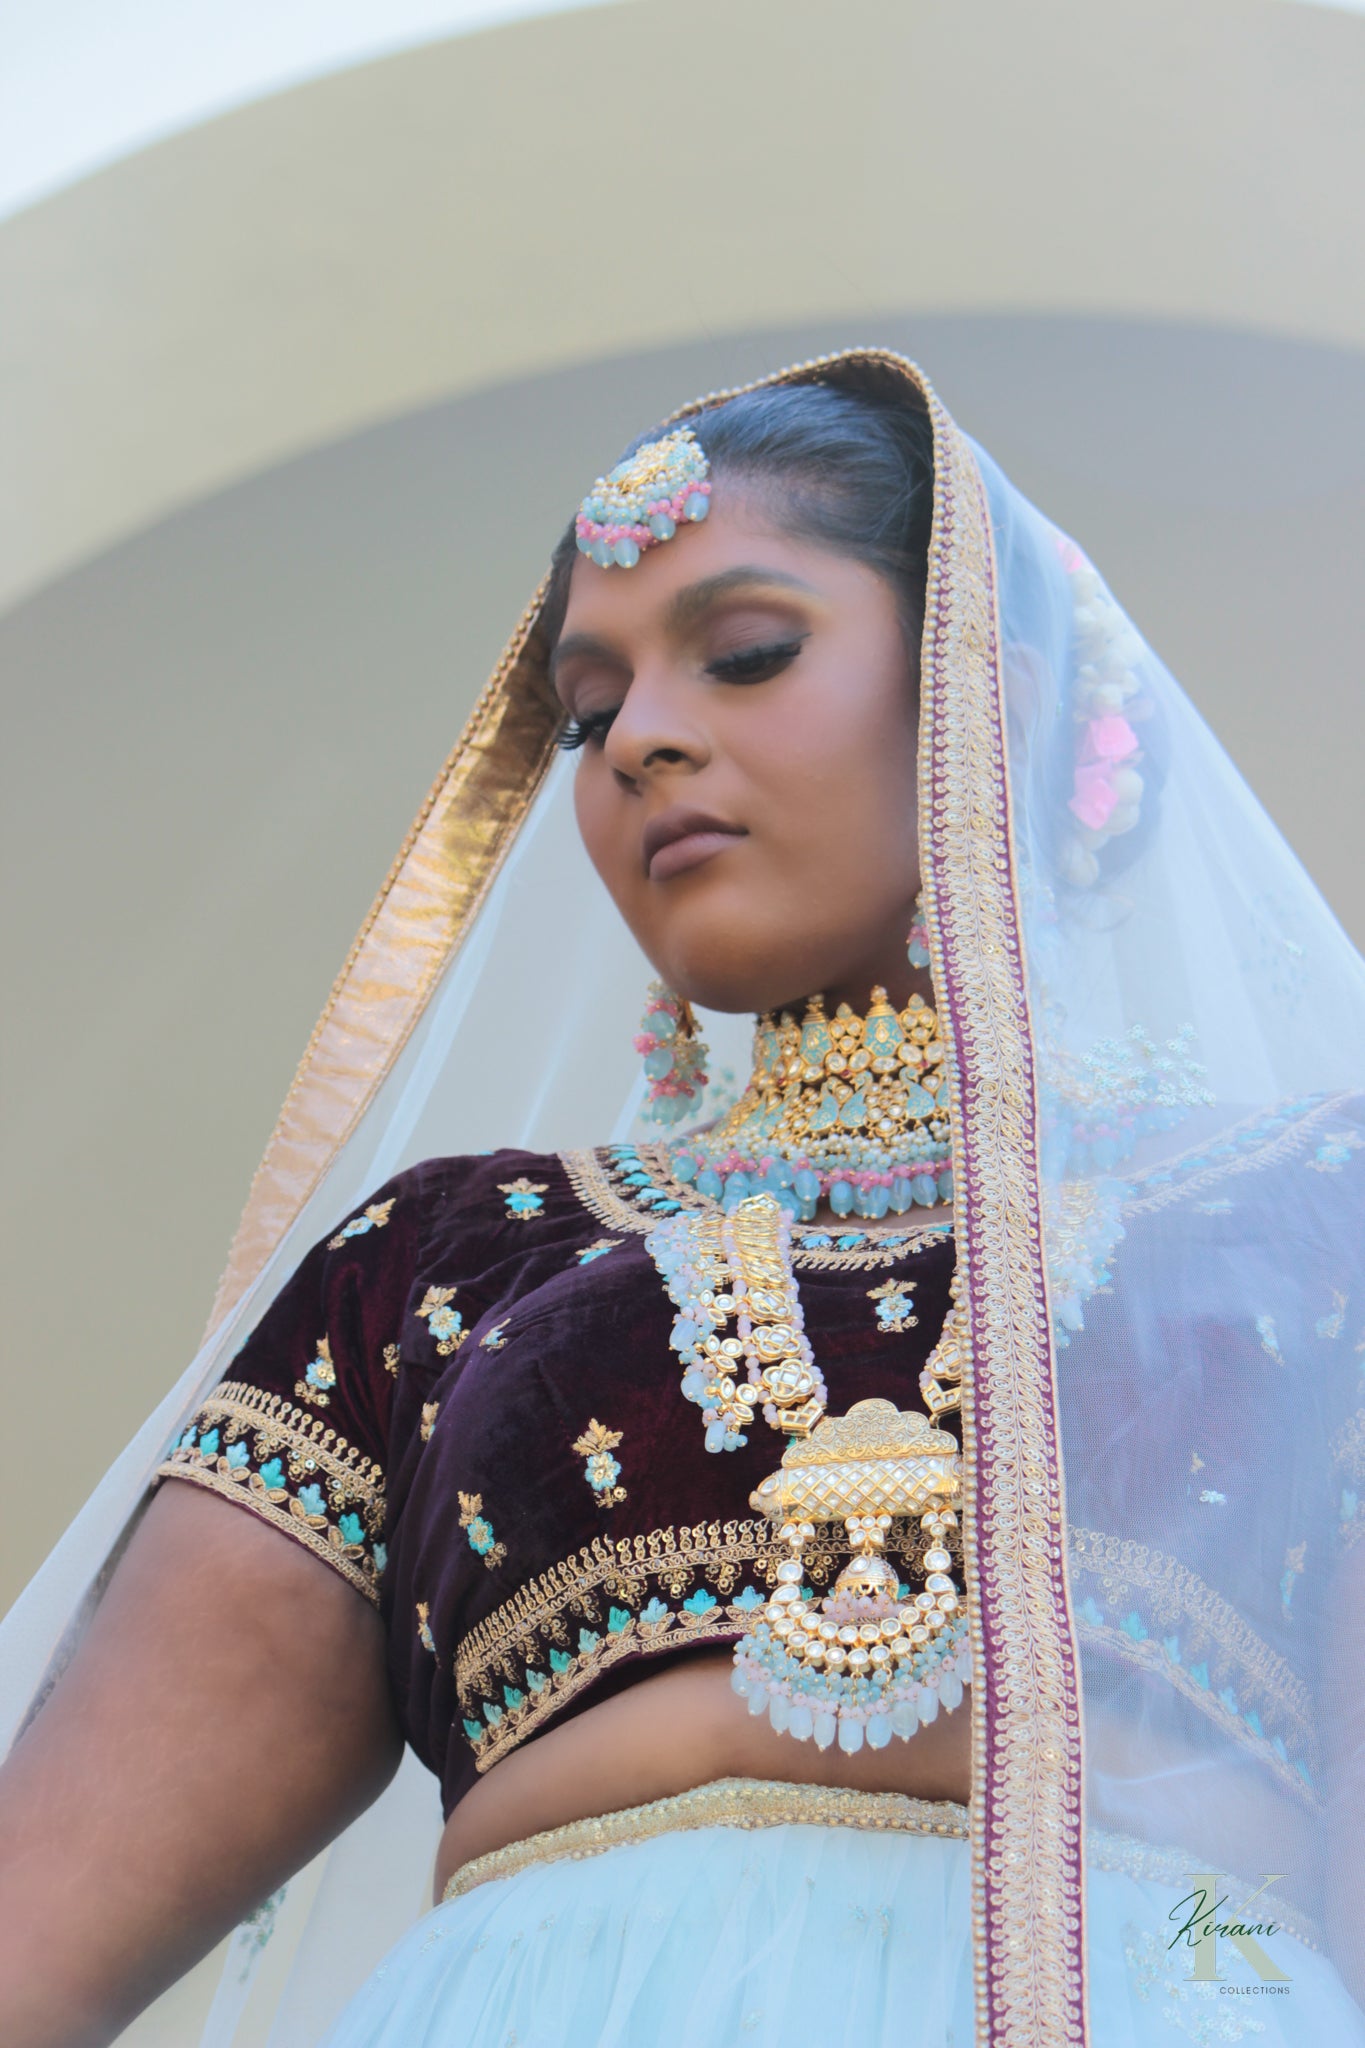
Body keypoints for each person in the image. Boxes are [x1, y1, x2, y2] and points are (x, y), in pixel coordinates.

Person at [1, 349, 1362, 2048]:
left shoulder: (1317, 1211)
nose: (640, 738)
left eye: (745, 653)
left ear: (986, 694)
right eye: (586, 712)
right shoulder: (435, 1267)